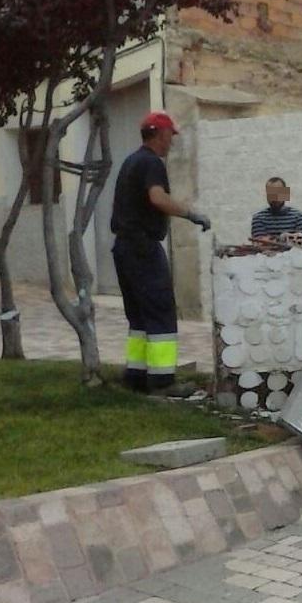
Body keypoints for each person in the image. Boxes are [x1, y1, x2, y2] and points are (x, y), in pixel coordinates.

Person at [110, 110, 210, 393]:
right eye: (170, 136)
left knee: (139, 316)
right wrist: (191, 214)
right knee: (160, 309)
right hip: (142, 247)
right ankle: (163, 381)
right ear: (160, 134)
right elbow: (157, 198)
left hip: (124, 247)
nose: (171, 143)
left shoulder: (131, 161)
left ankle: (137, 376)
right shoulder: (151, 162)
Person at [250, 176, 302, 248]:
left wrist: (275, 240)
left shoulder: (299, 216)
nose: (274, 198)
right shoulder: (259, 218)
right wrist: (287, 238)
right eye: (271, 193)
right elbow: (260, 246)